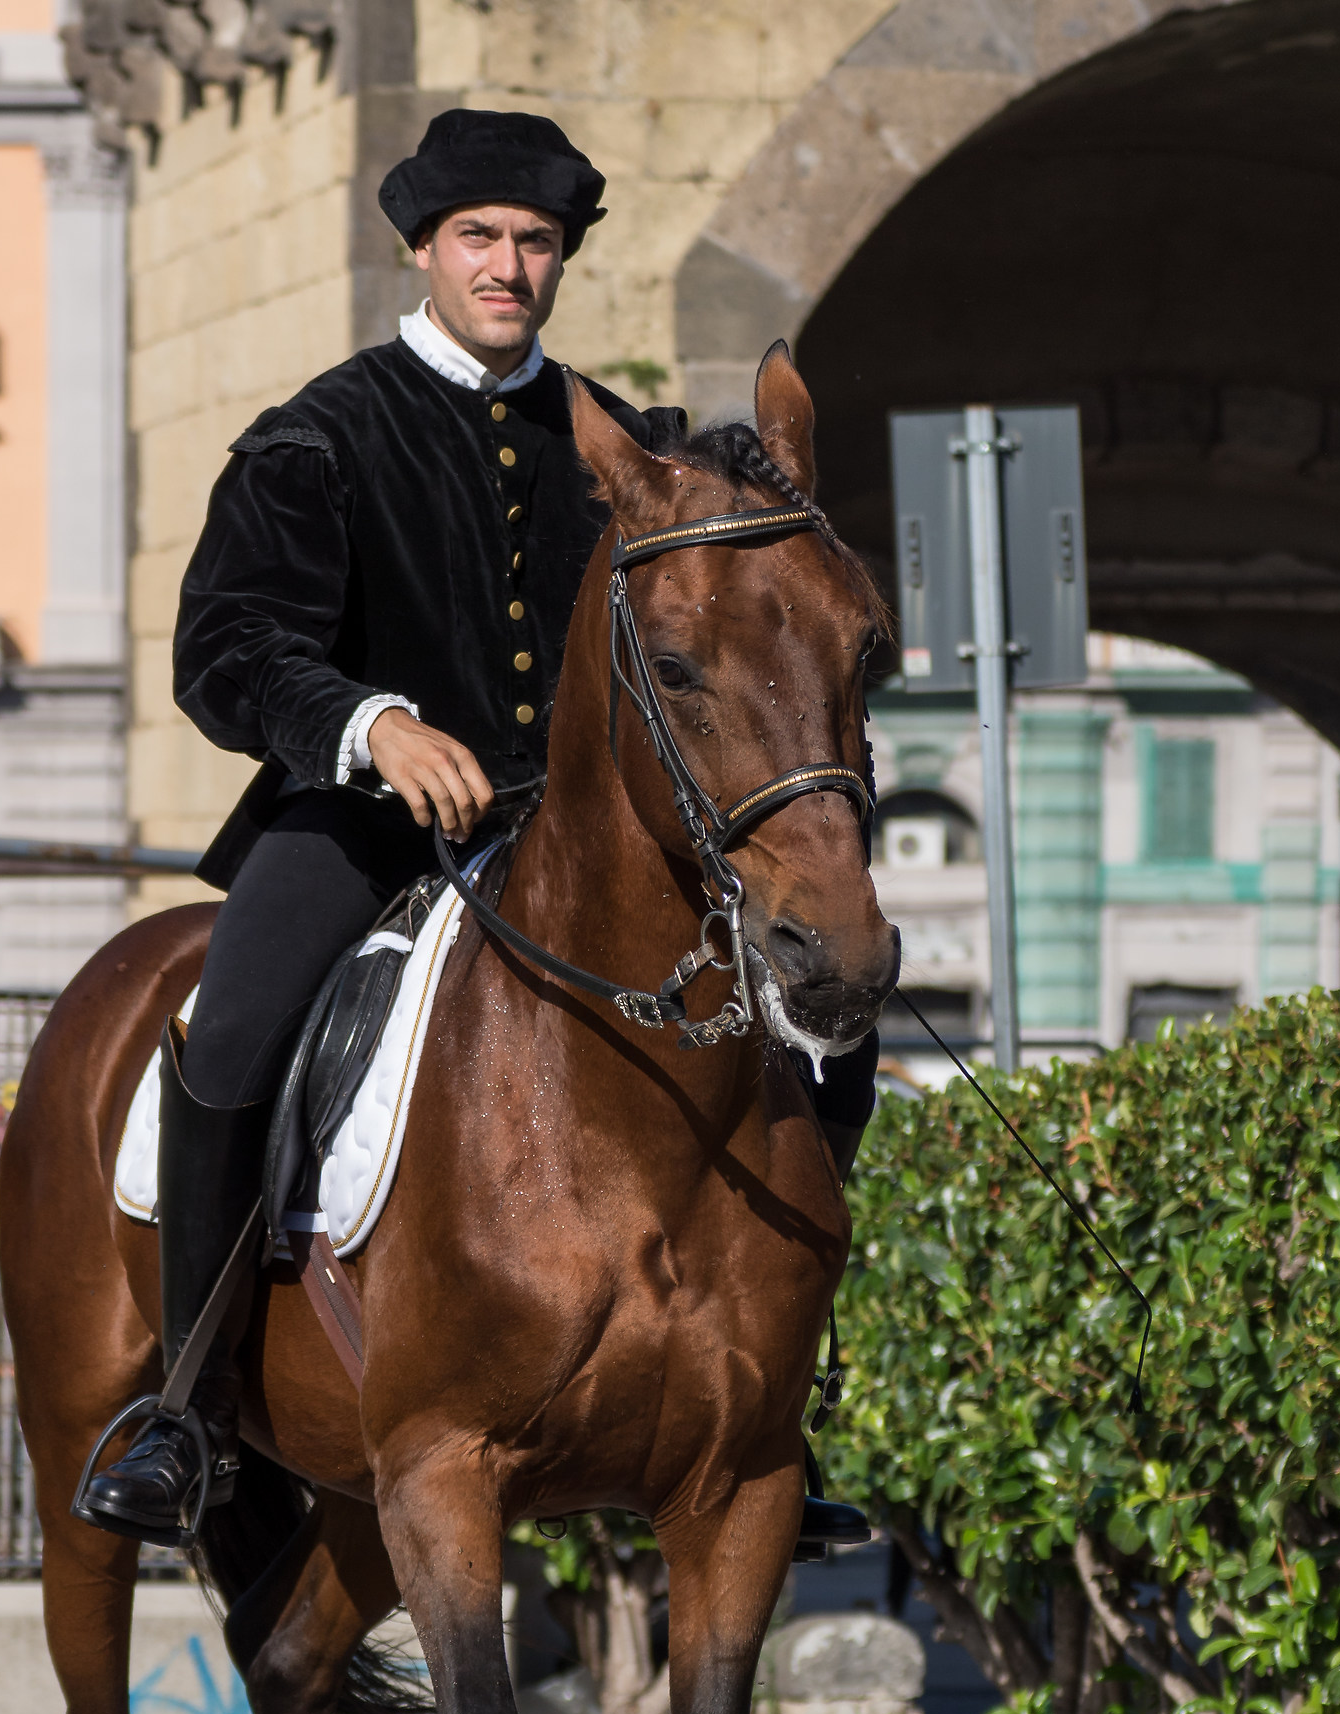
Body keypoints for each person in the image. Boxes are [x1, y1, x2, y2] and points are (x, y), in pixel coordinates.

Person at [77, 109, 877, 1548]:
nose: (510, 265)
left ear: (559, 261)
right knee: (239, 1023)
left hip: (601, 840)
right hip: (367, 822)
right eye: (482, 240)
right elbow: (227, 645)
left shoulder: (625, 453)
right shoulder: (317, 434)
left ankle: (768, 1412)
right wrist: (374, 726)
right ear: (427, 252)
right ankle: (188, 1414)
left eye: (535, 243)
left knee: (834, 1015)